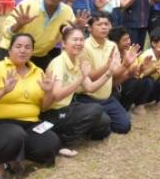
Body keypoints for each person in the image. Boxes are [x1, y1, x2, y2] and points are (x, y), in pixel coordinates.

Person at [0, 34, 60, 179]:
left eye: (27, 47)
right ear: (9, 50)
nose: (23, 50)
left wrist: (48, 92)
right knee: (14, 135)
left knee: (50, 144)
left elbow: (43, 106)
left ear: (32, 51)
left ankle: (13, 160)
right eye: (18, 46)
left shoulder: (38, 72)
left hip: (27, 124)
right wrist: (3, 92)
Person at [42, 27, 113, 157]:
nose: (79, 43)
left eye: (81, 40)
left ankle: (69, 132)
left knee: (104, 123)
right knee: (96, 109)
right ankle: (62, 142)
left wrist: (109, 71)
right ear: (64, 43)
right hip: (53, 112)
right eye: (75, 40)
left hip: (68, 107)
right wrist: (80, 79)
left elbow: (90, 87)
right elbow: (57, 95)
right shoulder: (59, 63)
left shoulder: (77, 61)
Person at [0, 0, 89, 70]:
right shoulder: (27, 5)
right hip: (12, 51)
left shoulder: (67, 12)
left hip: (39, 54)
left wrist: (77, 29)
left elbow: (67, 36)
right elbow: (6, 33)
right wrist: (18, 25)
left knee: (46, 77)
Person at [75, 12, 134, 134]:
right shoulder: (83, 47)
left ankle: (102, 118)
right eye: (99, 24)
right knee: (102, 128)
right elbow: (89, 77)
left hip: (107, 97)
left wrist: (126, 65)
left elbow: (114, 74)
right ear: (89, 28)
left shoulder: (112, 45)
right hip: (87, 98)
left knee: (124, 126)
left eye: (106, 24)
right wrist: (107, 66)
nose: (104, 27)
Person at [108, 27, 151, 115]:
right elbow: (114, 77)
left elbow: (135, 73)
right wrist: (126, 65)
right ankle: (120, 109)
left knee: (144, 81)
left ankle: (127, 108)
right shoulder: (110, 54)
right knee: (132, 82)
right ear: (115, 43)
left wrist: (142, 68)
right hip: (113, 84)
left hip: (124, 81)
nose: (128, 42)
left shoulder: (131, 51)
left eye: (128, 38)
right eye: (125, 40)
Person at [136, 27, 160, 111]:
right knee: (148, 80)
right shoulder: (145, 56)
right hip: (141, 91)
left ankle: (159, 101)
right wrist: (153, 70)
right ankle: (139, 105)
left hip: (153, 89)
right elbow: (139, 76)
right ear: (153, 43)